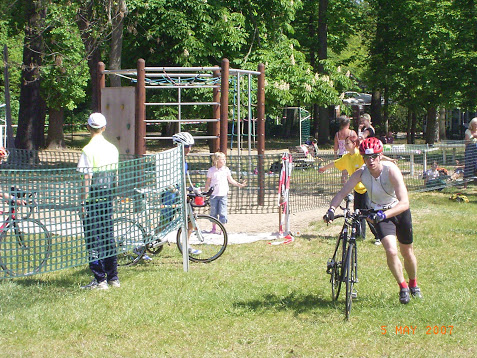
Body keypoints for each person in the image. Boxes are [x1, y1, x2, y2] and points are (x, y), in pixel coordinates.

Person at [323, 137, 422, 304]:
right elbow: (342, 193)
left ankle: (413, 283)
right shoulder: (361, 173)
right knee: (391, 251)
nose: (370, 161)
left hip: (398, 210)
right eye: (366, 157)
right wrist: (331, 210)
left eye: (374, 157)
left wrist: (385, 214)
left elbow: (405, 202)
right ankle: (403, 286)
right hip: (379, 212)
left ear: (380, 156)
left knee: (407, 252)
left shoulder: (391, 170)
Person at [78, 113, 119, 290]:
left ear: (88, 128)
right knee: (108, 237)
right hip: (107, 198)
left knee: (93, 240)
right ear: (104, 128)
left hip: (93, 200)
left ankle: (100, 280)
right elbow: (115, 177)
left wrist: (82, 202)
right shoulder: (112, 149)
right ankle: (113, 278)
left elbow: (87, 178)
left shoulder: (87, 150)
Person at [319, 135, 379, 244]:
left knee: (367, 213)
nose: (345, 145)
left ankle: (378, 236)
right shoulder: (346, 158)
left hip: (366, 189)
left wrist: (390, 160)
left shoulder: (360, 155)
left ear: (354, 144)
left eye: (347, 143)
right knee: (357, 213)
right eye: (344, 143)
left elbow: (377, 157)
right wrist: (324, 168)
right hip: (356, 189)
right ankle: (359, 234)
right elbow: (335, 163)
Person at [205, 152, 246, 233]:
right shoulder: (211, 170)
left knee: (222, 212)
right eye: (222, 159)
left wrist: (239, 184)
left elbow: (230, 180)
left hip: (223, 194)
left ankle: (222, 229)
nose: (224, 161)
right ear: (217, 160)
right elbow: (208, 182)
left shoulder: (226, 169)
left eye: (224, 159)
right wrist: (205, 192)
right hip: (213, 195)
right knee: (213, 212)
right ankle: (213, 228)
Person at [334, 116, 357, 183]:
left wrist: (335, 155)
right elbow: (356, 143)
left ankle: (344, 186)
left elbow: (336, 146)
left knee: (344, 173)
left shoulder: (337, 134)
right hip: (350, 154)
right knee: (353, 172)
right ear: (348, 124)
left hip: (341, 155)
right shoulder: (352, 133)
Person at [463, 117, 477, 188]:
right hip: (470, 149)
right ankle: (465, 185)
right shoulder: (468, 131)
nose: (476, 125)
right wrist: (473, 137)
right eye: (474, 124)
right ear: (471, 124)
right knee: (468, 166)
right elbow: (466, 142)